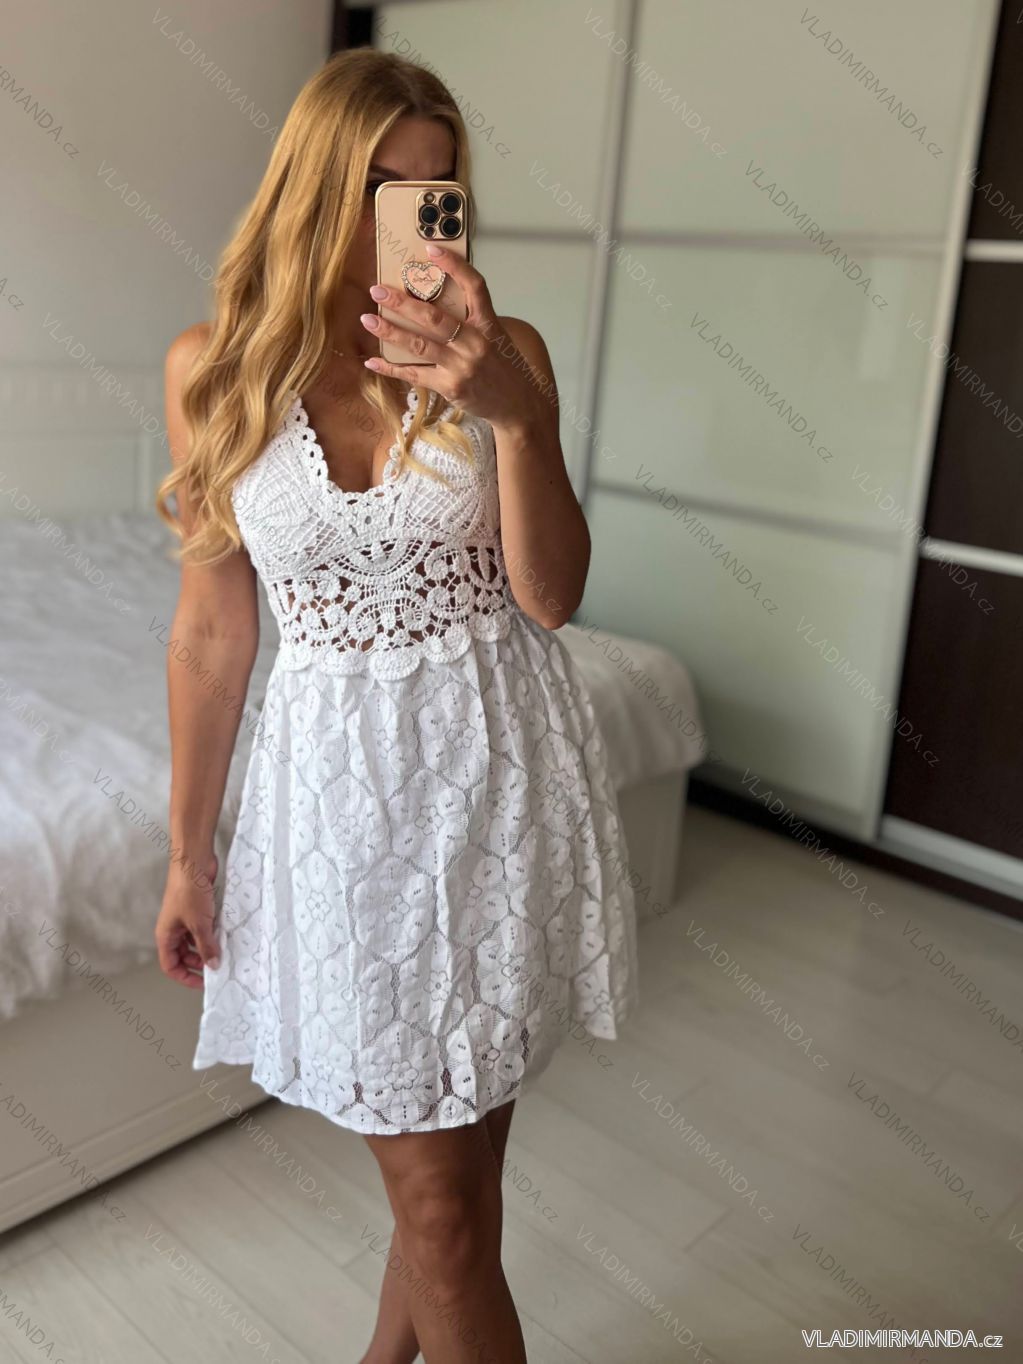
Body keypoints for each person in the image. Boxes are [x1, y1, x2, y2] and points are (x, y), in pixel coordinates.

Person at [155, 47, 637, 1364]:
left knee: (454, 1195)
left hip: (497, 783)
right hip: (340, 809)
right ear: (318, 188)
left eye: (441, 190)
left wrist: (517, 418)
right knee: (440, 1203)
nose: (422, 223)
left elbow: (551, 597)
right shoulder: (215, 370)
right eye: (388, 187)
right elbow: (212, 630)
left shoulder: (507, 357)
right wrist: (190, 853)